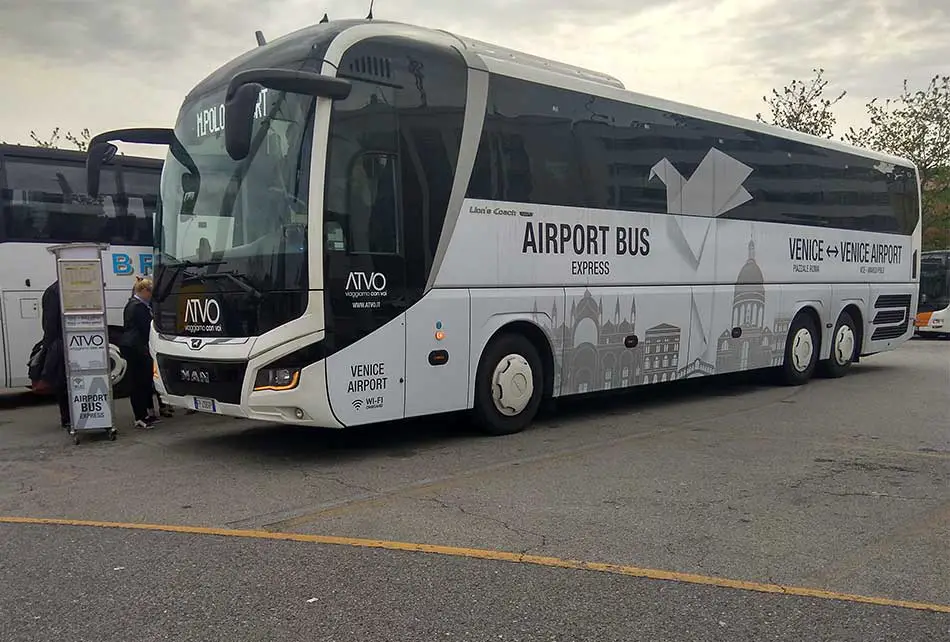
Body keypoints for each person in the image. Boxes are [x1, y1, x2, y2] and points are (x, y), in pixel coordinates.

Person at [120, 277, 159, 429]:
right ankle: (140, 416)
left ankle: (144, 414)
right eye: (150, 291)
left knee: (142, 381)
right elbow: (146, 328)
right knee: (139, 382)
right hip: (136, 348)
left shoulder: (132, 304)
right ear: (143, 291)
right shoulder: (138, 307)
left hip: (132, 346)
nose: (151, 295)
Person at [36, 280, 70, 430]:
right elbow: (50, 324)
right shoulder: (56, 291)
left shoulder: (55, 290)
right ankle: (67, 417)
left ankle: (69, 418)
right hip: (62, 342)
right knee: (63, 381)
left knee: (64, 382)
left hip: (63, 341)